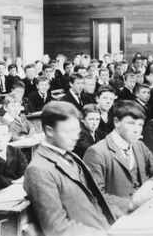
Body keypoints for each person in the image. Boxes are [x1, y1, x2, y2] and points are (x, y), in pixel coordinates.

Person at [24, 101, 121, 236]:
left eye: (77, 131)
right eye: (68, 131)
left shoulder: (72, 155)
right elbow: (57, 228)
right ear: (49, 131)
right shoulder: (38, 170)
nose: (76, 136)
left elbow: (97, 200)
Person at [84, 101, 153, 213]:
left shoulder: (139, 146)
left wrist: (149, 185)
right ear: (116, 122)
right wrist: (132, 203)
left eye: (140, 124)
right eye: (131, 123)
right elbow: (94, 197)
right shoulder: (97, 152)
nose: (137, 130)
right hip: (119, 218)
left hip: (146, 210)